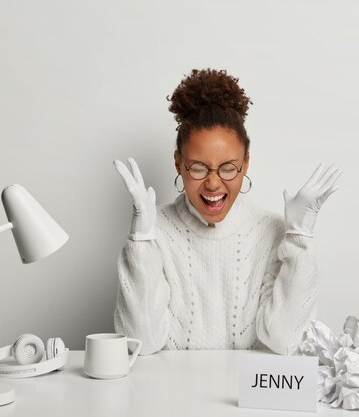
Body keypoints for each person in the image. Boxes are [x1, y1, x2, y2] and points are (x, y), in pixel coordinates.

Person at [113, 68, 342, 355]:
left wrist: (298, 239)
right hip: (169, 395)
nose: (212, 182)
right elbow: (140, 344)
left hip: (248, 398)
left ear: (246, 163)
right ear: (178, 163)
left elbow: (285, 342)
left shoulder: (271, 231)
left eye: (228, 168)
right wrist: (141, 243)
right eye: (197, 167)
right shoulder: (154, 230)